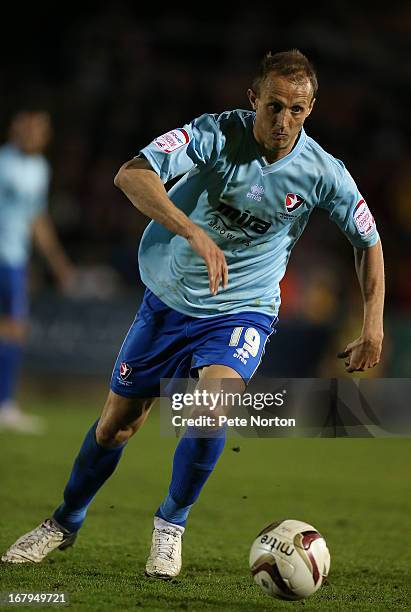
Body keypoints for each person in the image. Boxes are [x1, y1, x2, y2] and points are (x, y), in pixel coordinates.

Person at [1, 50, 384, 577]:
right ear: (253, 100)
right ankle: (64, 522)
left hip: (243, 308)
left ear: (311, 108)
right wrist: (190, 229)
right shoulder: (214, 134)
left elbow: (368, 240)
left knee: (211, 408)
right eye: (274, 106)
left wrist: (373, 323)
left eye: (297, 109)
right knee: (117, 428)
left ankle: (170, 526)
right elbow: (131, 174)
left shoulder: (323, 173)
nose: (283, 120)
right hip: (169, 298)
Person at [0, 111, 75, 433]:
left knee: (15, 328)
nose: (34, 135)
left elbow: (35, 219)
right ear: (16, 129)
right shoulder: (3, 162)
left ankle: (5, 404)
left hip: (14, 259)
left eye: (41, 130)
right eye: (29, 128)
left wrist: (58, 264)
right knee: (12, 328)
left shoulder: (39, 169)